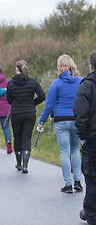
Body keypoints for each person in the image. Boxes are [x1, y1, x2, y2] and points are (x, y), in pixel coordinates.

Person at [38, 54, 82, 193]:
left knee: (64, 151)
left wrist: (41, 121)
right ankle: (78, 182)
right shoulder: (81, 82)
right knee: (75, 150)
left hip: (61, 120)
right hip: (76, 119)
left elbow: (49, 105)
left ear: (59, 66)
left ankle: (68, 184)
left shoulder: (56, 83)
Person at [7, 60, 45, 173]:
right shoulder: (33, 82)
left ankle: (18, 163)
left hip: (16, 113)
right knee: (26, 138)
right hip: (29, 113)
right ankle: (25, 165)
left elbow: (9, 100)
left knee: (17, 138)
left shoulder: (11, 83)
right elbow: (42, 96)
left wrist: (15, 103)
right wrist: (33, 103)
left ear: (16, 69)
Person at [74, 50, 96, 225]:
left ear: (91, 66)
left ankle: (91, 212)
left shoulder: (87, 85)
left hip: (93, 138)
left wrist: (82, 136)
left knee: (91, 176)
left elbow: (80, 113)